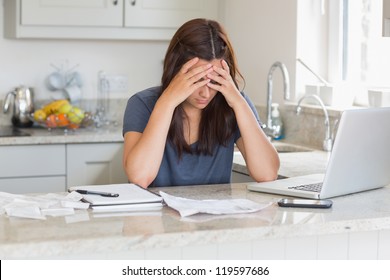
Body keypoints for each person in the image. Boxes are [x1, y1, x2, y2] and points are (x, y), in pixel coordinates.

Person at [122, 18, 279, 188]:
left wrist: (239, 104)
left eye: (214, 81)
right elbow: (139, 178)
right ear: (176, 70)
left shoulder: (234, 104)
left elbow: (267, 174)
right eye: (197, 80)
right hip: (157, 214)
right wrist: (167, 102)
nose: (205, 93)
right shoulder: (142, 104)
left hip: (218, 214)